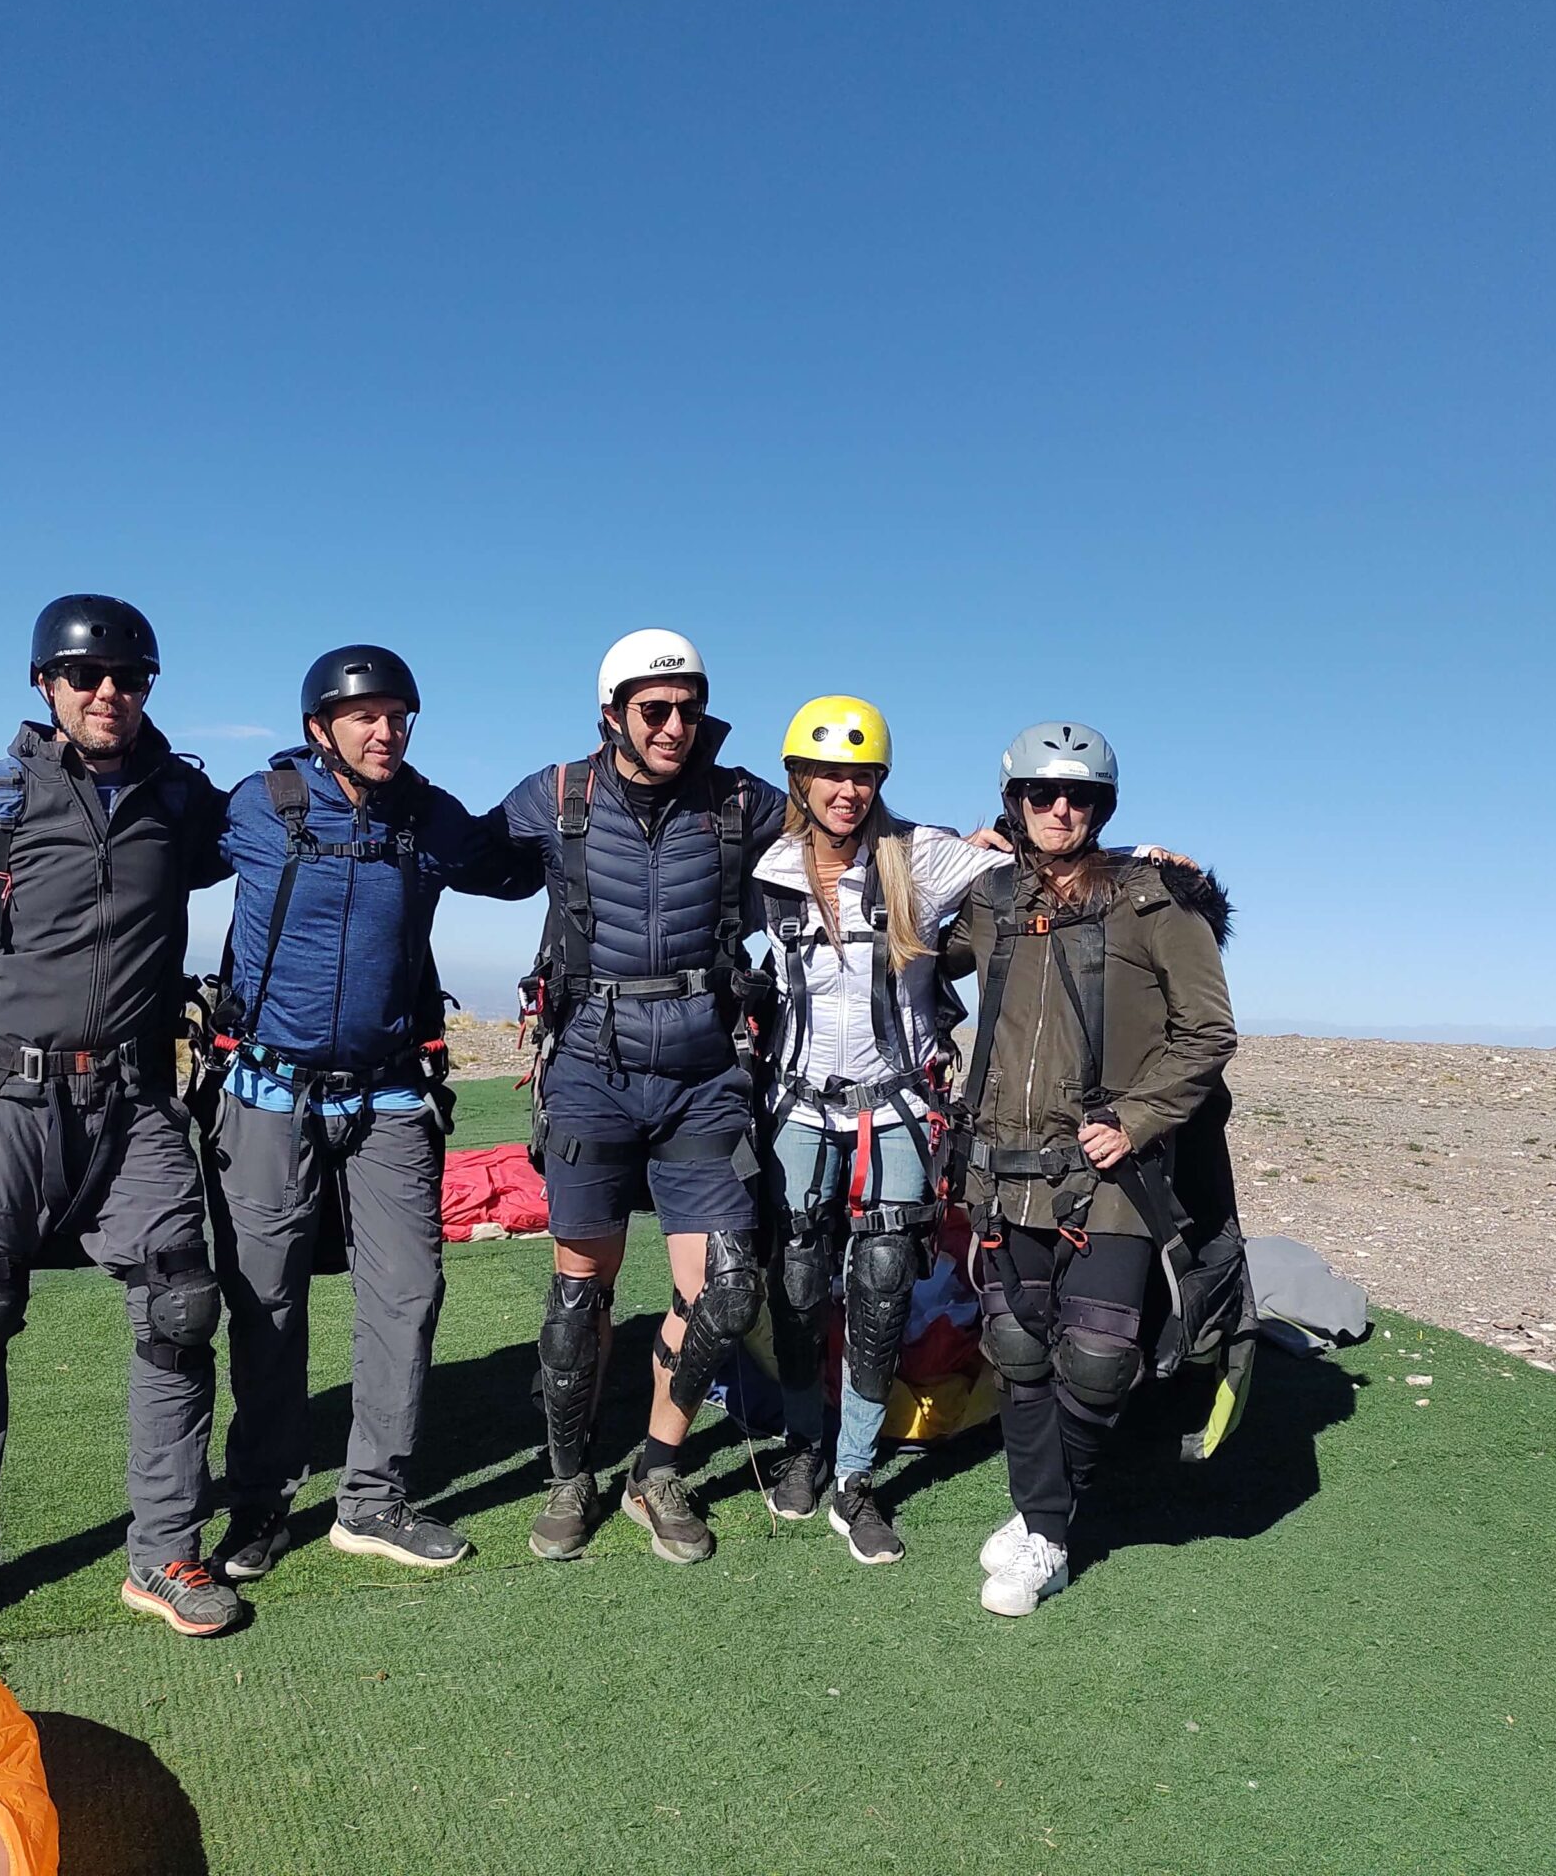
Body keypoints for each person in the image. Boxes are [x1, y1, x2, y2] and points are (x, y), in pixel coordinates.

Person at [0, 595, 243, 1642]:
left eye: (129, 678)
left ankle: (164, 1553)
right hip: (4, 1104)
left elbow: (277, 842)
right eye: (85, 676)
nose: (108, 692)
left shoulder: (183, 803)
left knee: (181, 1308)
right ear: (46, 684)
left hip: (134, 1102)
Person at [201, 646, 542, 1581]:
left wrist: (573, 802)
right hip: (268, 1090)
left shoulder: (427, 816)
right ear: (321, 727)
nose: (385, 731)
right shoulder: (260, 805)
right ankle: (260, 1501)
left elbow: (515, 871)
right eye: (365, 716)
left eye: (398, 717)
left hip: (390, 1092)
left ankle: (373, 1501)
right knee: (265, 1300)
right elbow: (153, 861)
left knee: (408, 1293)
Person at [497, 630, 788, 1564]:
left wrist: (986, 845)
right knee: (580, 1292)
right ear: (612, 714)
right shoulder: (555, 796)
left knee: (727, 1290)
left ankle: (655, 1471)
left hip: (706, 1077)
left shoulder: (741, 801)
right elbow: (454, 855)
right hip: (591, 1069)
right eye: (654, 709)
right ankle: (567, 1475)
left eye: (688, 708)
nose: (674, 725)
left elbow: (849, 826)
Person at [943, 720, 1237, 1617]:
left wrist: (1139, 1119)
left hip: (1109, 1174)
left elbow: (1208, 1032)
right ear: (1016, 802)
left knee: (1101, 1361)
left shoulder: (1154, 901)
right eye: (1042, 793)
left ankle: (1043, 1520)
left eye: (1079, 796)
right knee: (1019, 1351)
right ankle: (1046, 1528)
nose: (1060, 809)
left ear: (1103, 808)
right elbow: (910, 955)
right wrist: (950, 861)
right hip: (1003, 1166)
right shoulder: (991, 898)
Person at [750, 695, 1009, 1564]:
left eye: (861, 776)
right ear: (799, 779)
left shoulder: (920, 857)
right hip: (796, 1104)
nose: (846, 791)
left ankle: (855, 1475)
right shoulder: (766, 864)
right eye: (828, 774)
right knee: (797, 1278)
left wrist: (1145, 862)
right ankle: (803, 1446)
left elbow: (1039, 865)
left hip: (895, 1103)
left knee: (885, 1280)